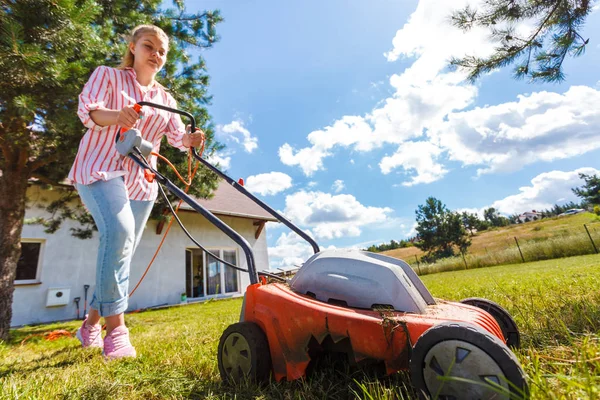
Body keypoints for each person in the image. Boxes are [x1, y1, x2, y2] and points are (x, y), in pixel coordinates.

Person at [68, 24, 205, 359]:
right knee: (120, 232)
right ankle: (117, 331)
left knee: (122, 252)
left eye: (162, 50)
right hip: (100, 167)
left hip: (141, 182)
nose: (156, 54)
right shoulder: (108, 76)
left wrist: (190, 140)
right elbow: (89, 112)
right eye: (149, 46)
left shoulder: (166, 99)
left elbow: (176, 138)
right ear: (133, 46)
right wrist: (119, 115)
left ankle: (89, 325)